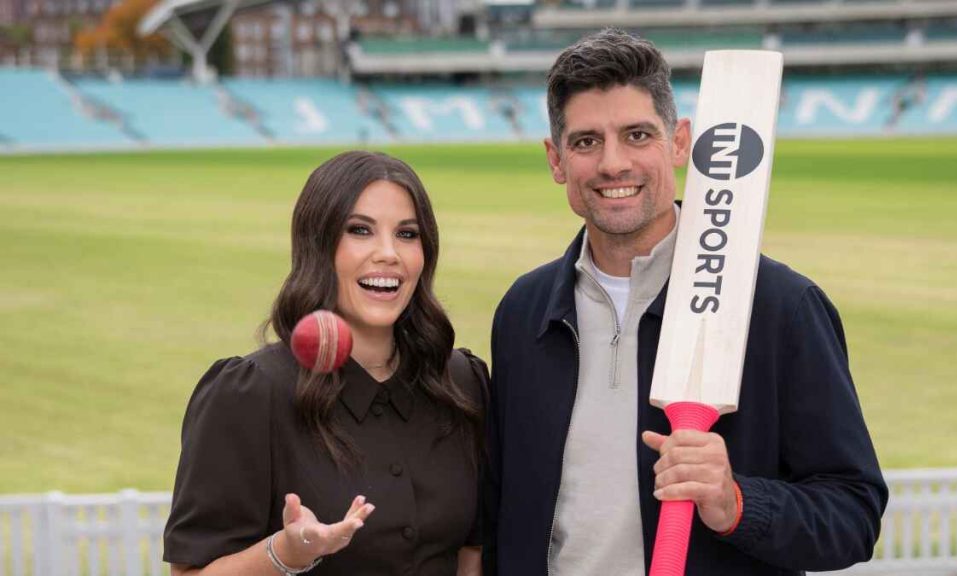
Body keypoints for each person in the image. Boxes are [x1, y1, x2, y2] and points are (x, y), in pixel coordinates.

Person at [484, 29, 888, 576]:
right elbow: (504, 507)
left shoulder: (780, 307)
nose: (612, 164)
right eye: (585, 142)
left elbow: (854, 515)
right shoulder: (522, 313)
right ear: (556, 161)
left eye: (636, 135)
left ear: (679, 144)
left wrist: (736, 504)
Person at [164, 151, 486, 576]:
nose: (388, 253)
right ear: (319, 245)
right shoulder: (250, 394)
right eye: (360, 230)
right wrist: (284, 553)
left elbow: (471, 554)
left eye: (407, 234)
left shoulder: (462, 383)